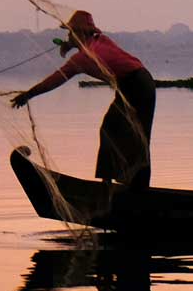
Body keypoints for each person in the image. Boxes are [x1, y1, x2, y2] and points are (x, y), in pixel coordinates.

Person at [11, 11, 157, 188]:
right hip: (138, 83)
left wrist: (28, 94)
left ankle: (122, 187)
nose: (68, 36)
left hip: (136, 85)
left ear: (80, 34)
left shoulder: (84, 57)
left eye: (71, 33)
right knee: (123, 131)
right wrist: (71, 44)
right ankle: (125, 185)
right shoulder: (100, 41)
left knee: (121, 132)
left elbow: (56, 80)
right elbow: (92, 47)